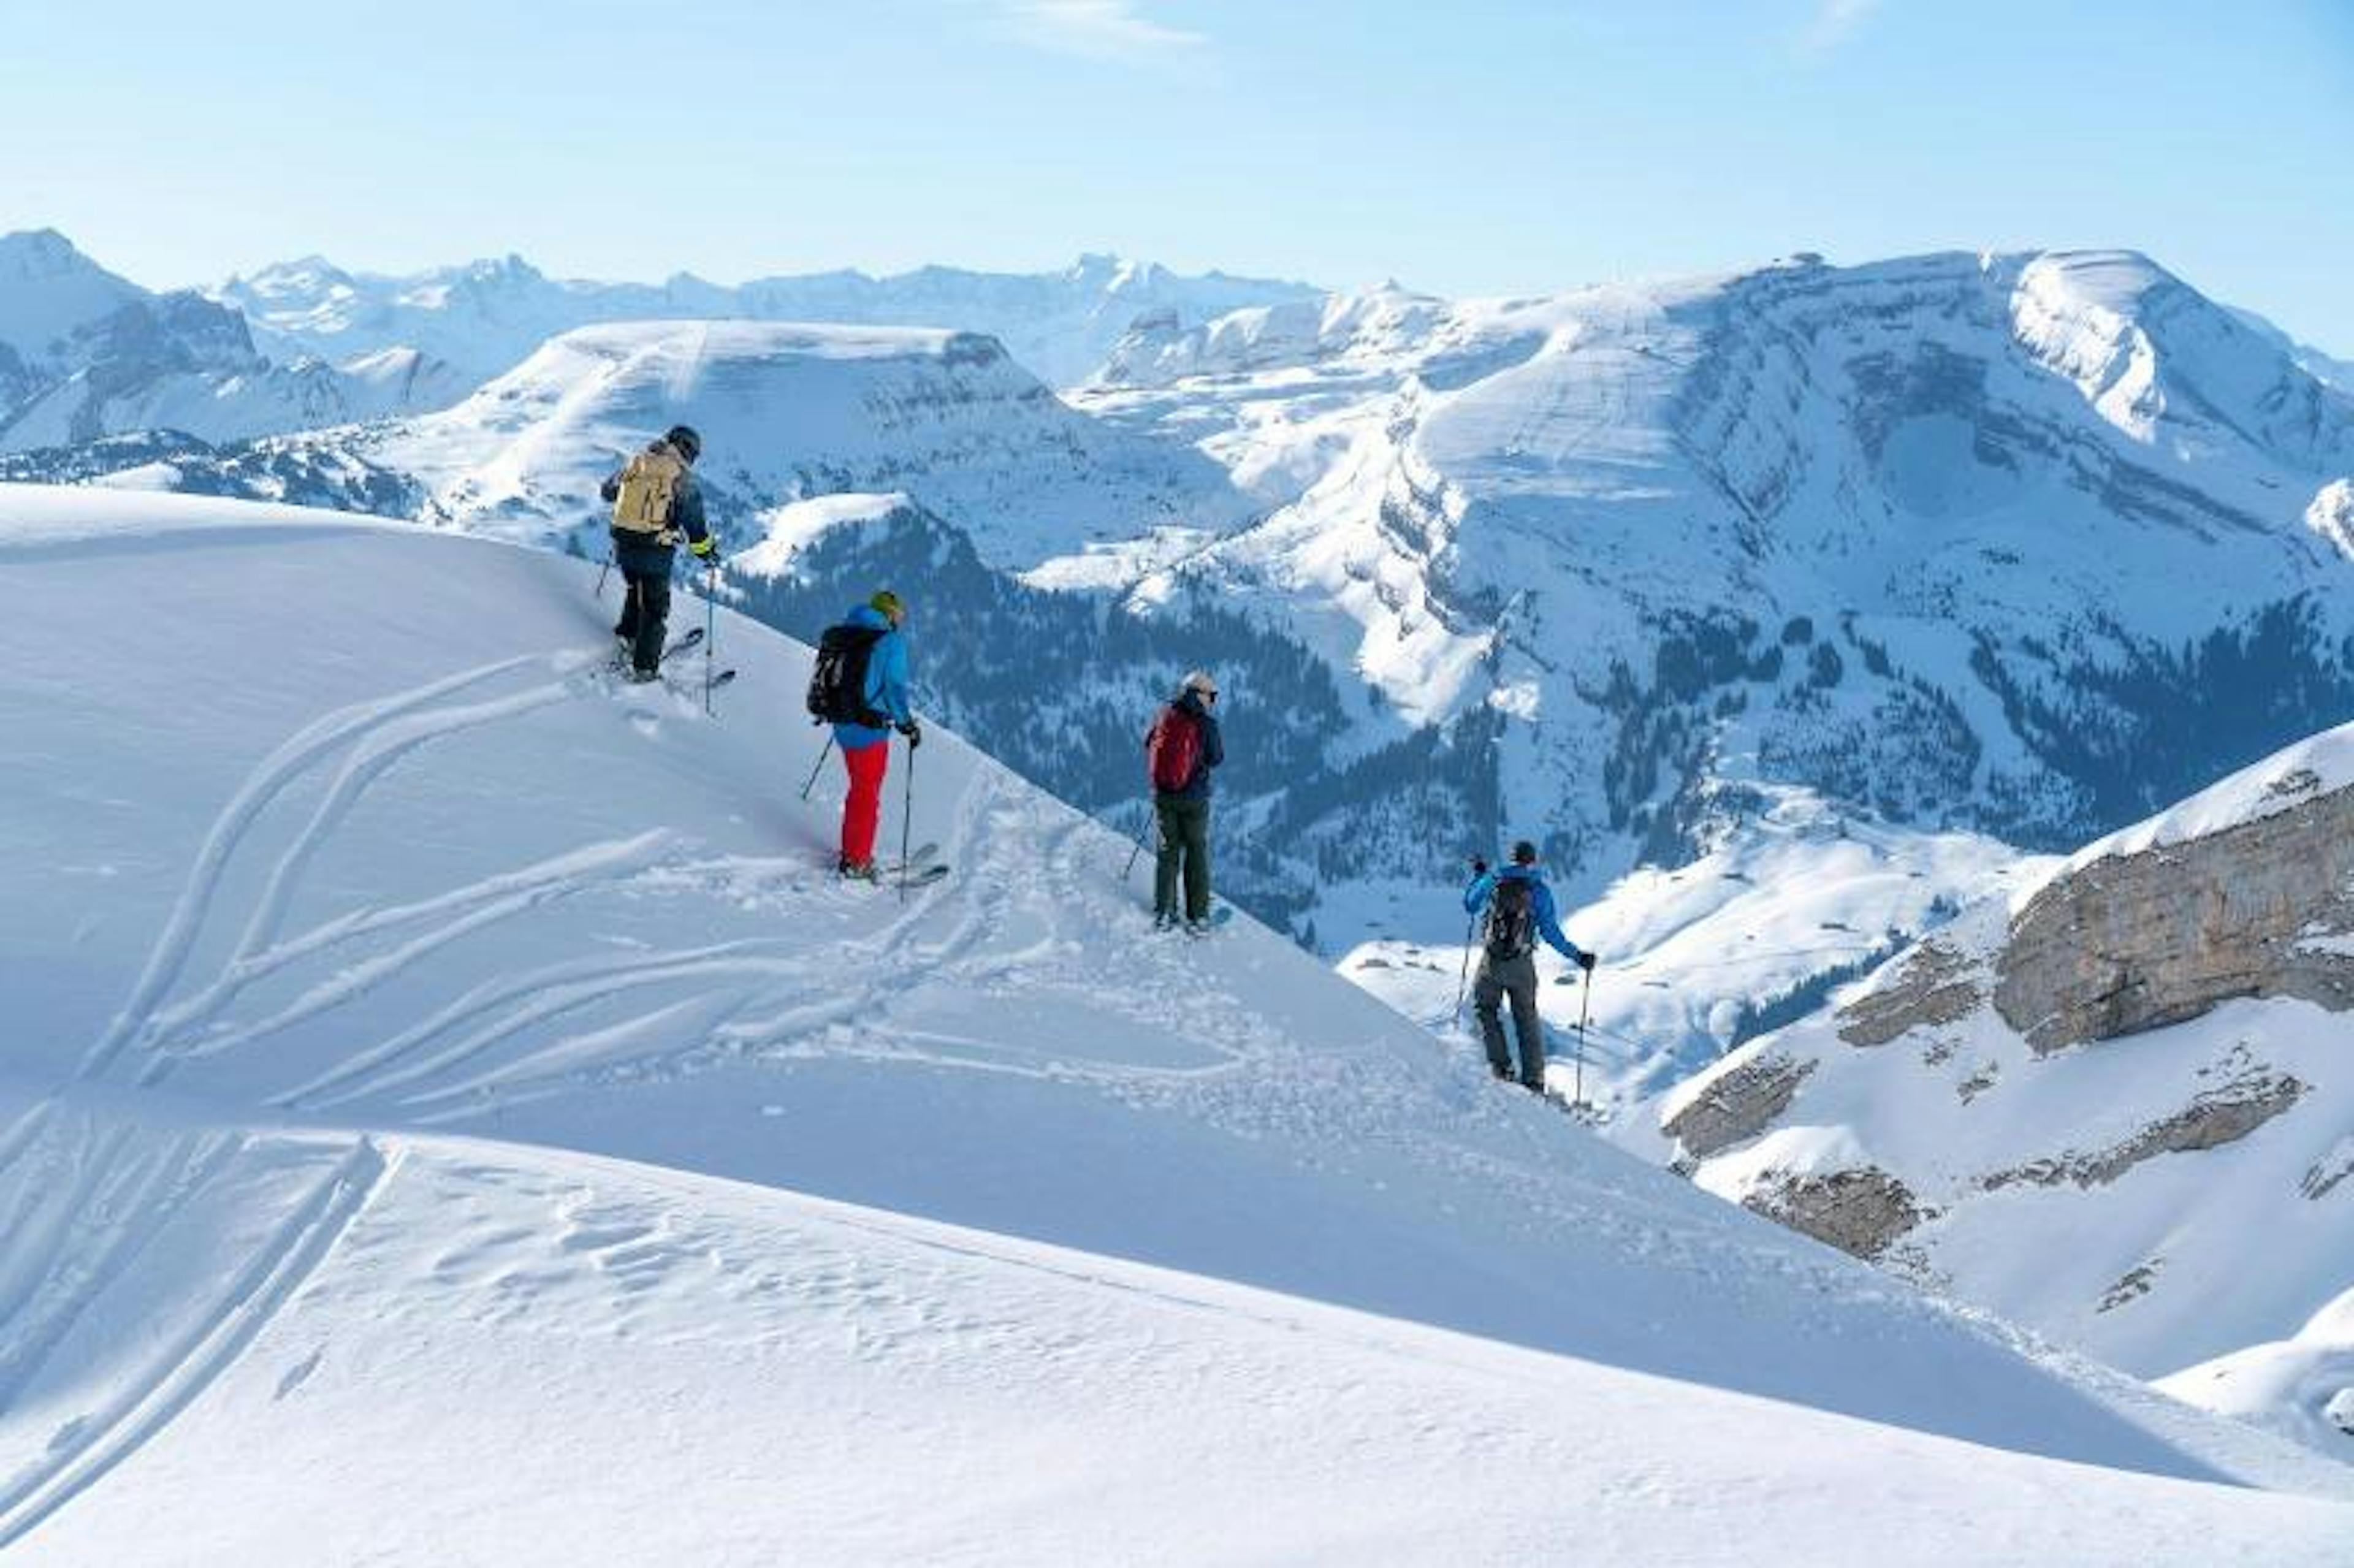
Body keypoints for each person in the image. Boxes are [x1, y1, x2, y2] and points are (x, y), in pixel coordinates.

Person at [1463, 840, 1595, 1092]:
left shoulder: (1495, 879)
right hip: (1522, 963)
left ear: (1511, 858)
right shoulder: (1539, 890)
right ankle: (1534, 1080)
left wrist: (1480, 877)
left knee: (1486, 1008)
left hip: (1492, 961)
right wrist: (1578, 956)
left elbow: (1470, 905)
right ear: (1532, 861)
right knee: (1526, 1018)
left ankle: (1501, 1067)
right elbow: (1550, 933)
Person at [600, 424, 714, 681]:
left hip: (624, 545)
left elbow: (607, 492)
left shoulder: (637, 463)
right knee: (655, 608)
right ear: (687, 450)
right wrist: (708, 553)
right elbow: (695, 525)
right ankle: (645, 668)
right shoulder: (682, 479)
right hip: (655, 551)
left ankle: (627, 636)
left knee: (634, 589)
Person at [823, 590, 918, 881]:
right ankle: (857, 861)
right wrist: (907, 724)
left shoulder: (847, 631)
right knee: (866, 794)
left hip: (842, 723)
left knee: (859, 789)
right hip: (869, 730)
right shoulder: (890, 642)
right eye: (898, 615)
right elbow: (894, 689)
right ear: (889, 614)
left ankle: (853, 851)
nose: (899, 621)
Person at [1145, 670, 1224, 934]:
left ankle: (1165, 911)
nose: (1213, 699)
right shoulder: (1206, 724)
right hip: (1195, 800)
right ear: (1200, 695)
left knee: (1168, 853)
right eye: (1211, 695)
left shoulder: (1165, 714)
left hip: (1164, 796)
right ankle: (1198, 915)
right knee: (1196, 852)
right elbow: (1216, 759)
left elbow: (1149, 744)